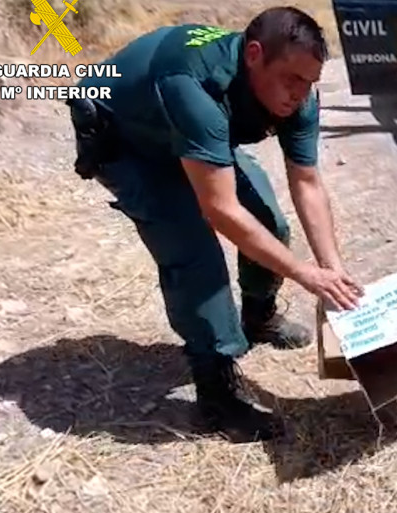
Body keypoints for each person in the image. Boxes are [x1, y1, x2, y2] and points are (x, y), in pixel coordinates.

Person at [66, 7, 364, 442]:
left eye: (310, 82)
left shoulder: (299, 90)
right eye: (292, 80)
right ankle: (216, 393)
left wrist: (331, 268)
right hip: (129, 138)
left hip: (188, 131)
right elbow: (220, 210)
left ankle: (258, 318)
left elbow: (307, 181)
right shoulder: (195, 85)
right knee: (194, 255)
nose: (300, 93)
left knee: (269, 224)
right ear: (255, 55)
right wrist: (304, 274)